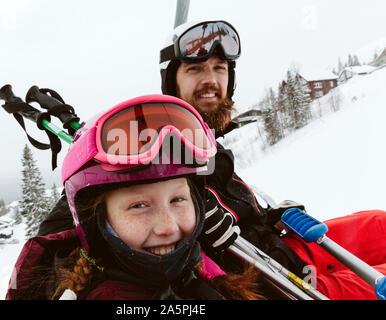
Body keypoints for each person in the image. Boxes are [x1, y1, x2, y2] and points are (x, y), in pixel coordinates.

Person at [158, 20, 386, 300]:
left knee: (379, 223)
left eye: (220, 68)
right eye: (195, 69)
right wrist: (194, 236)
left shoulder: (208, 143)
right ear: (171, 81)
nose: (211, 80)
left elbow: (239, 210)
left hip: (284, 247)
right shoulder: (162, 157)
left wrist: (270, 216)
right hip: (276, 282)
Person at [6, 94, 263, 300]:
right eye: (139, 205)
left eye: (177, 200)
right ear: (96, 220)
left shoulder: (200, 265)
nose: (168, 227)